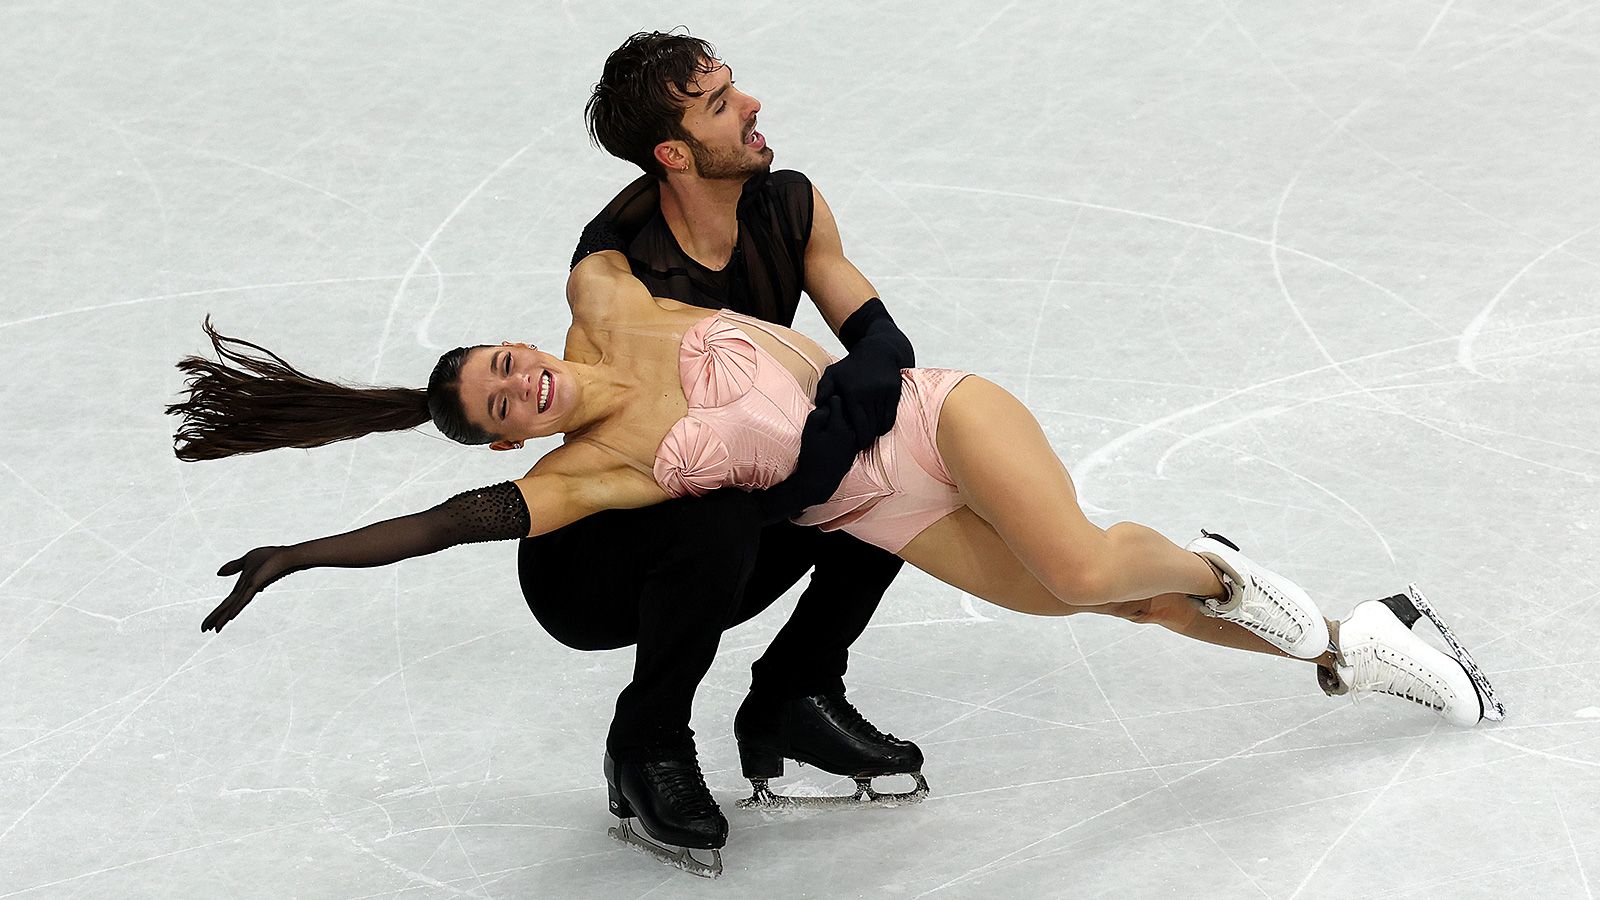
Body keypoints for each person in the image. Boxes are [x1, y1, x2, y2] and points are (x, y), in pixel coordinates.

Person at [169, 250, 1505, 877]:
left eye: (506, 363)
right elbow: (450, 522)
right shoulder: (587, 472)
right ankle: (1353, 648)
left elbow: (663, 196)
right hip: (886, 514)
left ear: (526, 339)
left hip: (934, 418)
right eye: (504, 404)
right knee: (1102, 601)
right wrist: (298, 554)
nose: (525, 384)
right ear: (515, 434)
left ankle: (1213, 566)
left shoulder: (605, 299)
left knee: (1084, 566)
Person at [550, 29, 929, 869]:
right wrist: (802, 474)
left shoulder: (787, 204)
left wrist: (871, 370)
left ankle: (797, 692)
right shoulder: (616, 274)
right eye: (721, 104)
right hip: (603, 554)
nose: (752, 105)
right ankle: (646, 739)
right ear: (674, 154)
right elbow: (649, 457)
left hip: (736, 504)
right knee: (715, 512)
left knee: (895, 458)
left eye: (733, 87)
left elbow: (874, 332)